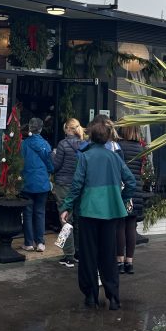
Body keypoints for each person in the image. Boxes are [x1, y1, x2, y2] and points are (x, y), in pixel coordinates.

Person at [59, 115, 136, 310]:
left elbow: (76, 185)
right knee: (108, 255)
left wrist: (67, 206)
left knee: (88, 255)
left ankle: (91, 297)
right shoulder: (114, 158)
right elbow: (131, 182)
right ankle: (113, 298)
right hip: (111, 212)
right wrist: (122, 198)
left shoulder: (84, 157)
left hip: (88, 211)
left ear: (90, 136)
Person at [52, 118, 84, 268]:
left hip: (63, 184)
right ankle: (78, 252)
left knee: (65, 219)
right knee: (76, 219)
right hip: (78, 185)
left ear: (67, 129)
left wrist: (53, 155)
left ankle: (68, 255)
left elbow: (56, 166)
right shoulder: (84, 145)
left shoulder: (63, 144)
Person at [21, 117, 54, 252]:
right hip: (42, 183)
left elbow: (20, 163)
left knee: (27, 213)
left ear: (29, 128)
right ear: (41, 129)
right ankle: (40, 243)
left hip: (27, 182)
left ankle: (29, 243)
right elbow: (50, 164)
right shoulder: (46, 144)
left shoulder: (24, 144)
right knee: (40, 212)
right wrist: (51, 172)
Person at [116, 124, 145, 274]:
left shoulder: (119, 147)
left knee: (120, 225)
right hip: (137, 189)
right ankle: (130, 262)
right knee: (131, 226)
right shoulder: (141, 148)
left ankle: (119, 261)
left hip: (123, 190)